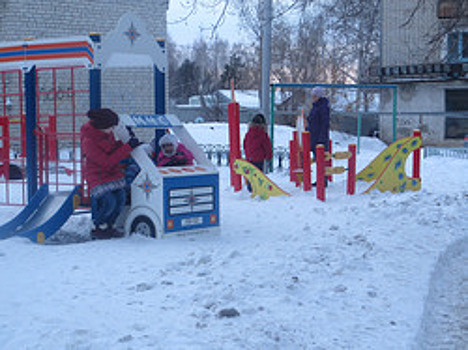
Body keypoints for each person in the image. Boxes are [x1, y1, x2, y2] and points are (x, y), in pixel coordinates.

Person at [80, 108, 141, 240]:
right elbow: (106, 161)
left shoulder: (106, 133)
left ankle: (109, 226)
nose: (112, 130)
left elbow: (112, 148)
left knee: (120, 199)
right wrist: (127, 147)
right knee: (109, 202)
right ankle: (98, 226)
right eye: (110, 127)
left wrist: (127, 142)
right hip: (96, 176)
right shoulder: (88, 141)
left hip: (111, 174)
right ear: (101, 126)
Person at [306, 87, 330, 186]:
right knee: (317, 159)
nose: (313, 97)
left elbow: (324, 124)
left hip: (319, 137)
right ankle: (320, 179)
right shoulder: (316, 106)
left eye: (315, 96)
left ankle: (322, 180)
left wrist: (321, 138)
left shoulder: (322, 107)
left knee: (320, 160)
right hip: (314, 136)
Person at [243, 113, 272, 191]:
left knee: (250, 174)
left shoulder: (248, 134)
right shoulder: (262, 134)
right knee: (258, 174)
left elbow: (245, 145)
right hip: (259, 158)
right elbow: (267, 146)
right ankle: (258, 189)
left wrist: (247, 154)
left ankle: (250, 189)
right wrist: (269, 156)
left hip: (249, 158)